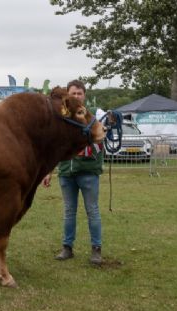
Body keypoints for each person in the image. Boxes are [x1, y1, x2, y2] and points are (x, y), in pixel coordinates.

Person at [42, 79, 104, 265]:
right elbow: (55, 147)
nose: (76, 96)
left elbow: (99, 145)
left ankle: (96, 249)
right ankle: (67, 247)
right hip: (66, 173)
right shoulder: (64, 119)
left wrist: (78, 147)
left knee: (92, 210)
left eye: (79, 93)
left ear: (84, 95)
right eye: (73, 94)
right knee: (69, 211)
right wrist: (48, 170)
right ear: (68, 96)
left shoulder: (92, 118)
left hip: (88, 172)